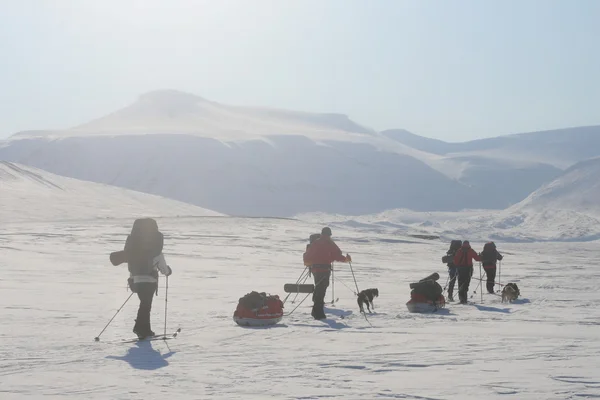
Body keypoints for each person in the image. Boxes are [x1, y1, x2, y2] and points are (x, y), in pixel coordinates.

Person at [123, 218, 172, 339]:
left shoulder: (134, 249)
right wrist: (167, 271)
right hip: (149, 281)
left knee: (144, 304)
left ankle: (146, 329)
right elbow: (162, 266)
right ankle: (140, 328)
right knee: (146, 305)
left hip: (136, 280)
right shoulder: (155, 250)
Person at [303, 227, 351, 320]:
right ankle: (319, 314)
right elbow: (336, 255)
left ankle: (315, 311)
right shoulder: (329, 243)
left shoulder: (315, 242)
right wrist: (345, 259)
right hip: (324, 270)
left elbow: (308, 255)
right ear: (329, 235)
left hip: (315, 270)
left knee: (318, 288)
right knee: (321, 290)